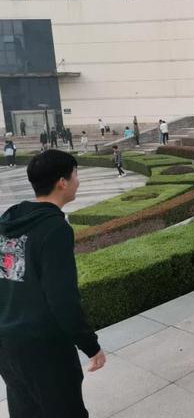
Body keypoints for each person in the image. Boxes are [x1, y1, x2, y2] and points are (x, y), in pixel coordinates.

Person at [0, 150, 106, 417]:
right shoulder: (55, 229)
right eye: (75, 174)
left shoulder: (9, 221)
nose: (78, 181)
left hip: (7, 344)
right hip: (43, 347)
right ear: (62, 182)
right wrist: (90, 346)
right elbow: (63, 299)